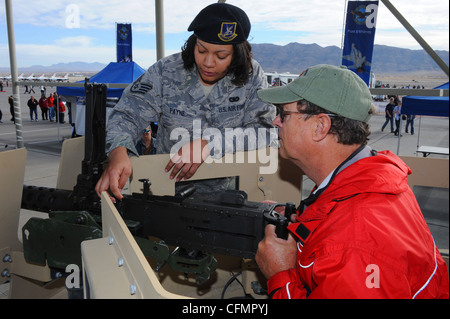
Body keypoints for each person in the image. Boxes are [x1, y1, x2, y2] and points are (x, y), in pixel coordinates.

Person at [255, 64, 449, 299]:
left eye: (284, 114)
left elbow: (352, 245)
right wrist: (304, 223)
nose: (276, 122)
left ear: (320, 126)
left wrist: (281, 276)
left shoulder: (356, 243)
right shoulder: (362, 181)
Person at [95, 3, 276, 200]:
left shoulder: (251, 74)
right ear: (193, 44)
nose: (208, 62)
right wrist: (118, 151)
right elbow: (126, 115)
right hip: (166, 191)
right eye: (201, 50)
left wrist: (210, 144)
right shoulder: (166, 71)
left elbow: (265, 132)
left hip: (228, 196)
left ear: (237, 55)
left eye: (221, 56)